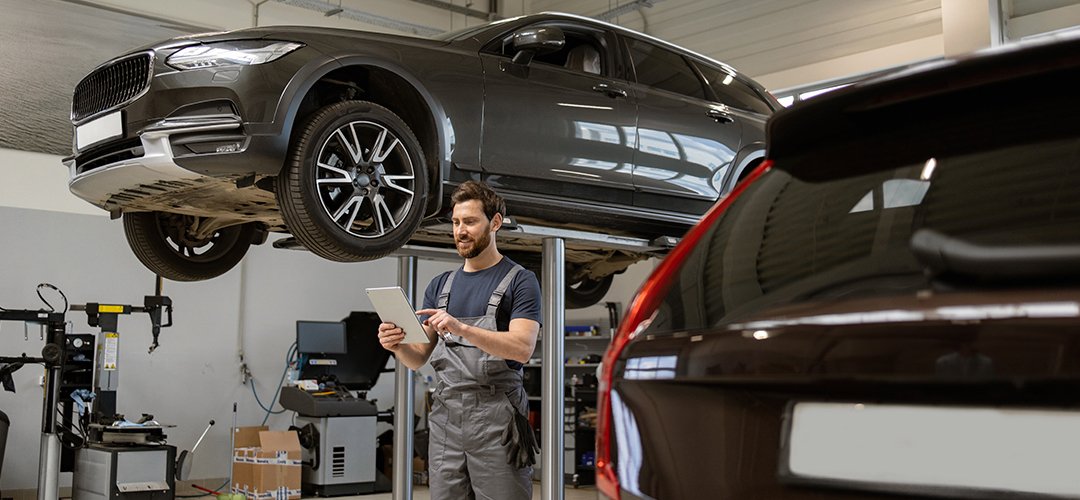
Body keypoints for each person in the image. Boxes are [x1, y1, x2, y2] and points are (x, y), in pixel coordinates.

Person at [377, 180, 542, 500]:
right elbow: (418, 357)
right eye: (455, 222)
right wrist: (396, 345)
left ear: (495, 223)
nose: (460, 231)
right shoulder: (441, 285)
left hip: (498, 418)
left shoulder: (520, 280)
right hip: (446, 419)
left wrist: (461, 328)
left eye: (470, 222)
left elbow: (522, 348)